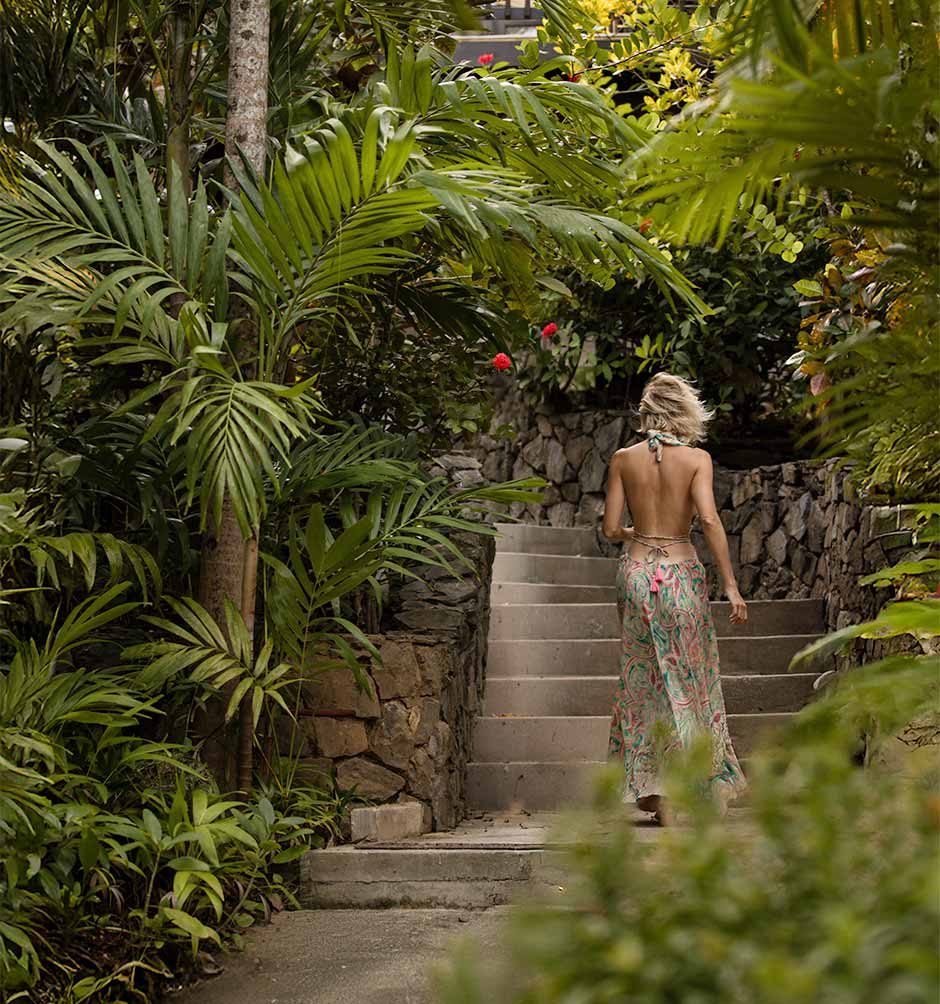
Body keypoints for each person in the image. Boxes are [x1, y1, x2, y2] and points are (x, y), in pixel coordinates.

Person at [601, 373, 747, 823]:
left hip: (637, 572)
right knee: (688, 681)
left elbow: (610, 530)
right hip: (680, 573)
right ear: (685, 410)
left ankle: (654, 791)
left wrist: (636, 533)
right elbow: (709, 519)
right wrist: (730, 585)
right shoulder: (698, 459)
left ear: (647, 412)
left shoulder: (623, 459)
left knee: (642, 682)